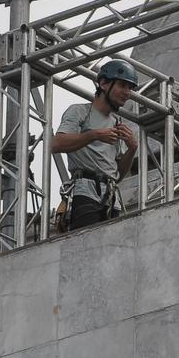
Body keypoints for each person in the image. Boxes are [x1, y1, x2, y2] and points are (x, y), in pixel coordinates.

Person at [52, 59, 138, 231]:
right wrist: (94, 135)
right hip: (85, 192)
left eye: (130, 88)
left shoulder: (117, 123)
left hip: (111, 199)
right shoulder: (80, 111)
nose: (127, 92)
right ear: (104, 84)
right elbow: (56, 144)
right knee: (85, 246)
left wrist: (132, 149)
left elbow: (117, 174)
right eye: (122, 85)